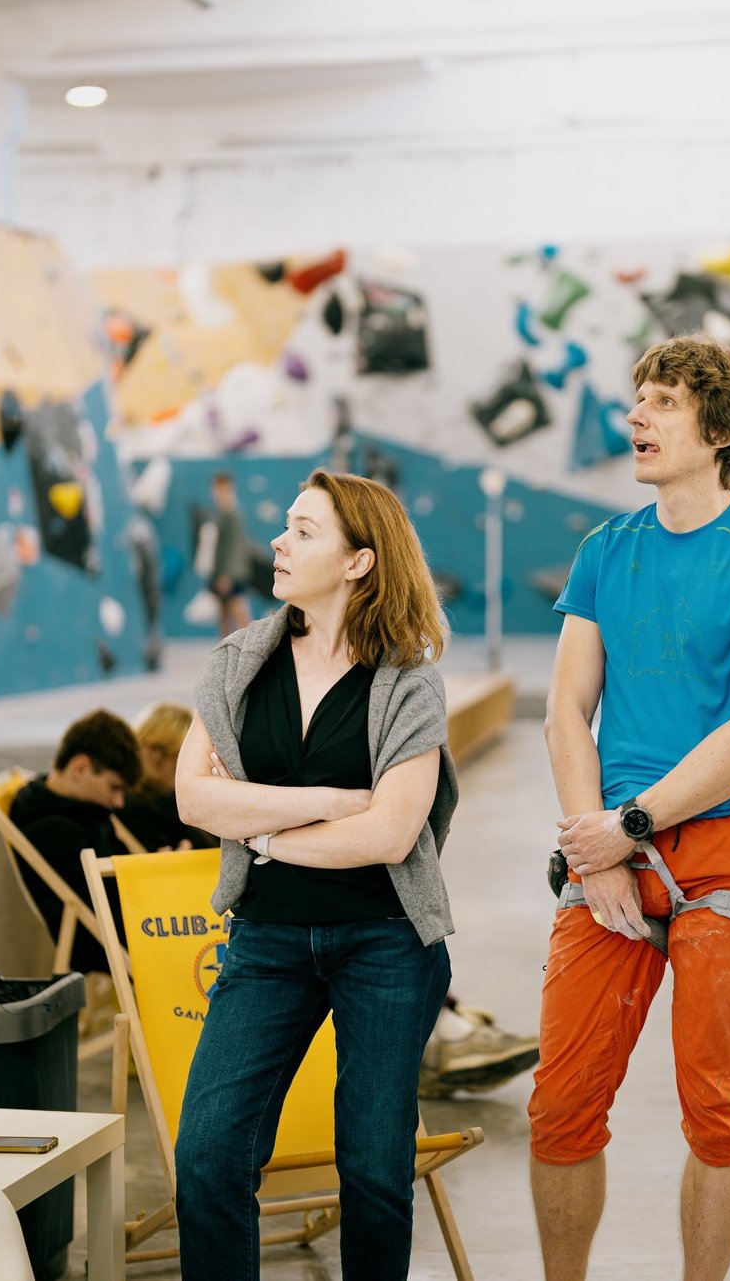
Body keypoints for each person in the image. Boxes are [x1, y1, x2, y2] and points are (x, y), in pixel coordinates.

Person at [531, 334, 730, 1281]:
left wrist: (632, 823)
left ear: (723, 428)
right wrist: (596, 845)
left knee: (717, 1106)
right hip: (611, 847)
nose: (638, 417)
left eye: (663, 402)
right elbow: (567, 710)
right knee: (561, 1105)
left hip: (725, 848)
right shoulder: (605, 552)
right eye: (639, 400)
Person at [174, 468, 455, 1281]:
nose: (278, 541)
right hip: (265, 939)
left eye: (303, 530)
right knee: (209, 1150)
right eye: (285, 526)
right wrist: (329, 803)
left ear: (360, 561)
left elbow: (392, 832)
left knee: (372, 1170)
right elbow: (194, 797)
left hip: (387, 944)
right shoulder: (238, 662)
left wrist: (258, 826)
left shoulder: (408, 679)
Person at [125, 699, 540, 1098]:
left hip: (289, 907)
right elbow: (200, 809)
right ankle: (450, 1041)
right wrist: (307, 815)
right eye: (176, 757)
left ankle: (455, 1031)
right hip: (221, 919)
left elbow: (382, 836)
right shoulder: (142, 811)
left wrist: (252, 825)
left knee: (386, 964)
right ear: (153, 752)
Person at [6, 709, 142, 977]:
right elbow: (107, 915)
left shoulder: (79, 810)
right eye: (114, 787)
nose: (119, 802)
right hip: (108, 943)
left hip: (131, 922)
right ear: (80, 768)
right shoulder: (53, 831)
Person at [116, 700, 212, 852]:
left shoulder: (164, 800)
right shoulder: (129, 805)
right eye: (177, 762)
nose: (184, 771)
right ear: (151, 751)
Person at [201, 470, 256, 638]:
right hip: (222, 573)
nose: (217, 493)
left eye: (221, 488)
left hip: (230, 574)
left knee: (239, 611)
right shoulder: (223, 512)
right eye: (215, 488)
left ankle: (255, 648)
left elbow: (233, 546)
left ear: (229, 488)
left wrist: (227, 575)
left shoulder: (232, 513)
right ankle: (224, 653)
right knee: (224, 615)